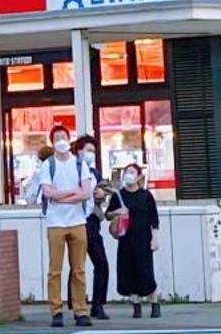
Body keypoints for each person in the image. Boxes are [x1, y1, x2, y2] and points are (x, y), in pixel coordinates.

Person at [26, 124, 94, 330]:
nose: (61, 141)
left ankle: (80, 311)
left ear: (69, 138)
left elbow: (87, 192)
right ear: (52, 142)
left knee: (79, 269)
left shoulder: (79, 164)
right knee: (55, 270)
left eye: (64, 137)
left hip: (78, 221)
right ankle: (56, 310)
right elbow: (47, 193)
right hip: (55, 223)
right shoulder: (48, 165)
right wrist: (71, 194)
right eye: (57, 138)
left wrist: (61, 196)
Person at [105, 163, 160, 317]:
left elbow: (154, 219)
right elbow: (108, 215)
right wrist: (118, 211)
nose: (128, 175)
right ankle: (136, 305)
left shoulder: (146, 196)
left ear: (139, 176)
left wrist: (155, 238)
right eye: (126, 172)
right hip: (125, 240)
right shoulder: (118, 195)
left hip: (143, 239)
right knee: (128, 273)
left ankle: (155, 303)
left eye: (131, 172)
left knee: (146, 272)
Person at [73, 138, 110, 322]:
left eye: (93, 151)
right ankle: (76, 305)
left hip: (92, 221)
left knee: (101, 262)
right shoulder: (72, 169)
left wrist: (102, 194)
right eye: (88, 150)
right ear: (78, 151)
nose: (91, 154)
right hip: (76, 221)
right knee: (77, 265)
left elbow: (105, 190)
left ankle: (98, 304)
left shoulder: (95, 172)